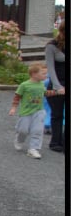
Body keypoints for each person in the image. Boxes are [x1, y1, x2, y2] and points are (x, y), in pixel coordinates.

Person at [9, 63, 64, 159]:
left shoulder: (42, 85)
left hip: (39, 111)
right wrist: (14, 108)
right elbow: (17, 96)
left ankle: (34, 149)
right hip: (26, 112)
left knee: (37, 130)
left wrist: (56, 92)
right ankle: (19, 139)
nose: (46, 76)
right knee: (23, 130)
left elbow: (45, 93)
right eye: (43, 73)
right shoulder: (24, 85)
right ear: (34, 74)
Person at [44, 20, 66, 153]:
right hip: (56, 85)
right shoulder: (52, 46)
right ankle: (55, 142)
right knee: (57, 115)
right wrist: (58, 87)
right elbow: (50, 69)